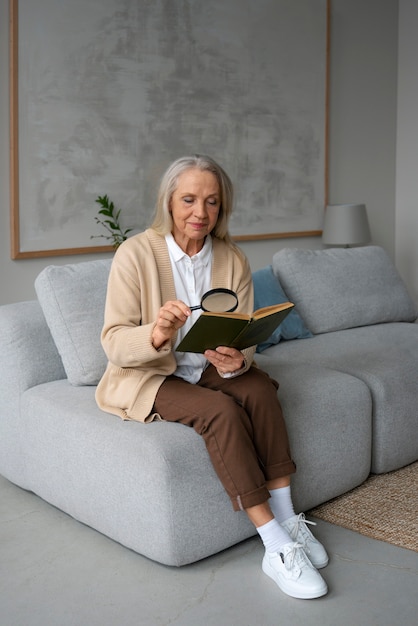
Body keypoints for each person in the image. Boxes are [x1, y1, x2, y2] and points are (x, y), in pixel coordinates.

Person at [96, 154, 329, 600]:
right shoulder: (135, 254)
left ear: (222, 208)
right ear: (168, 201)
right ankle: (275, 545)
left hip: (207, 369)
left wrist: (237, 360)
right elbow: (113, 342)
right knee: (221, 411)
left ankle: (289, 519)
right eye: (188, 199)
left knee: (259, 388)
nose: (199, 213)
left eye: (211, 202)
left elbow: (244, 337)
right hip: (151, 377)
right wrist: (158, 332)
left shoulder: (232, 258)